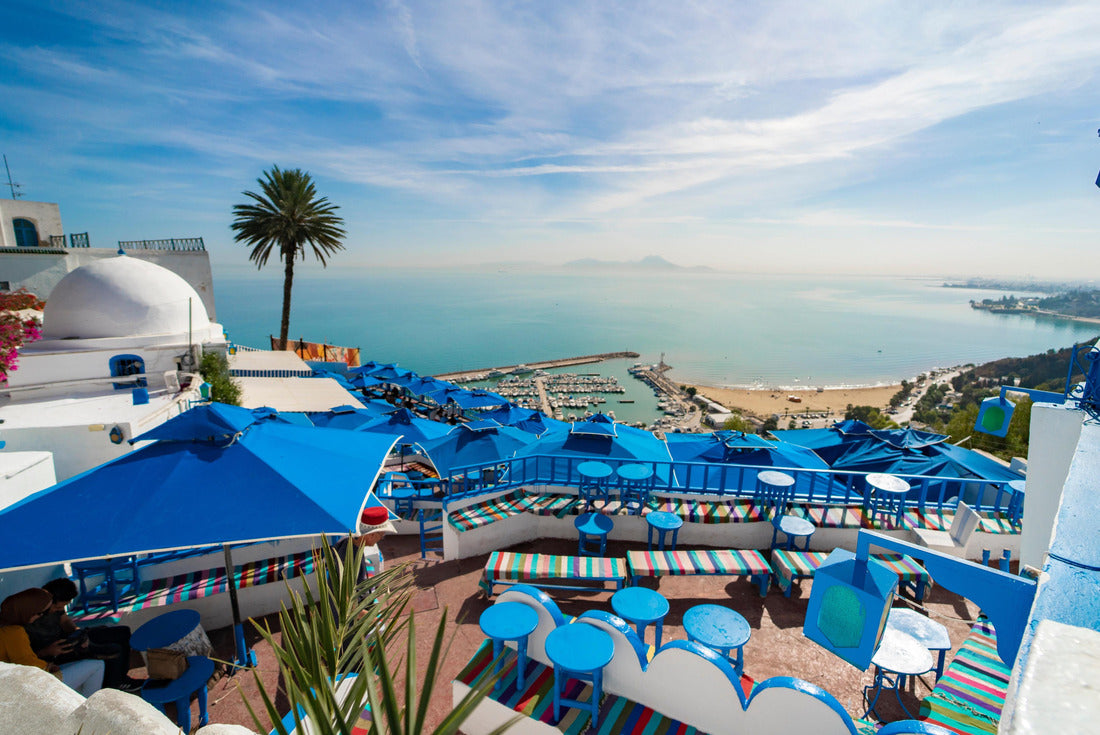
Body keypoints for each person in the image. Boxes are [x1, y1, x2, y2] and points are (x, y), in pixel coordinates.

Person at [23, 578, 140, 692]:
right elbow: (27, 656)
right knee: (114, 650)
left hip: (69, 641)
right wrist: (47, 651)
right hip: (57, 653)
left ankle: (121, 680)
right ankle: (112, 687)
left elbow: (65, 621)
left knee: (123, 632)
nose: (58, 610)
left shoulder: (55, 607)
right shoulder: (30, 619)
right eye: (58, 607)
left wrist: (79, 633)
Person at [0, 588, 105, 697]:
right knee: (97, 664)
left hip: (11, 679)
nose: (40, 616)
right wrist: (48, 666)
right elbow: (26, 663)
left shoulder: (5, 626)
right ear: (27, 611)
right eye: (39, 613)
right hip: (28, 685)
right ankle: (89, 710)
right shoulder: (14, 632)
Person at [333, 505, 397, 583]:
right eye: (382, 536)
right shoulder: (356, 562)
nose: (380, 539)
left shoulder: (346, 540)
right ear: (371, 535)